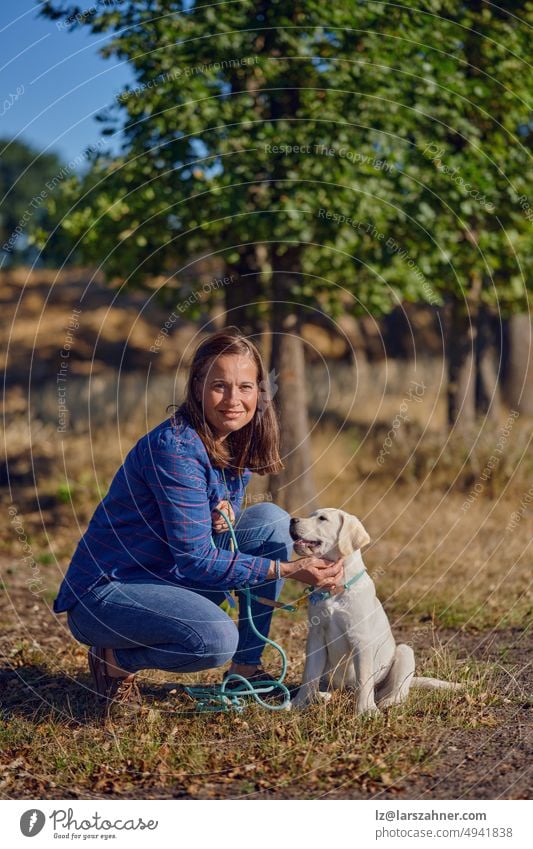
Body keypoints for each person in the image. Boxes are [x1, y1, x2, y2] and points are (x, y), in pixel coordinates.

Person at [53, 328, 344, 709]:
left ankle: (246, 670)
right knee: (215, 638)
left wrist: (221, 520)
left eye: (245, 387)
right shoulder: (175, 447)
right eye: (219, 386)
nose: (234, 400)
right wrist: (288, 570)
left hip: (169, 578)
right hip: (108, 593)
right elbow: (196, 559)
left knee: (271, 520)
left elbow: (207, 533)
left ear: (260, 391)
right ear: (196, 387)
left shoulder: (234, 438)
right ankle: (114, 662)